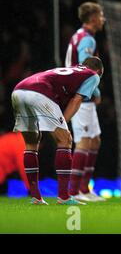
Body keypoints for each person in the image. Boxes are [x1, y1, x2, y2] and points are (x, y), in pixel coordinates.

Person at [11, 56, 104, 205]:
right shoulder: (93, 75)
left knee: (31, 143)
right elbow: (76, 100)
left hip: (18, 90)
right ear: (99, 71)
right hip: (39, 91)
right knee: (65, 139)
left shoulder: (72, 70)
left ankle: (36, 198)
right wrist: (63, 125)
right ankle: (64, 197)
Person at [64, 2, 106, 202]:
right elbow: (86, 67)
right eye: (101, 15)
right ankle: (74, 191)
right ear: (92, 18)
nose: (103, 19)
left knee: (95, 140)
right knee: (84, 141)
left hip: (82, 94)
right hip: (81, 95)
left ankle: (84, 189)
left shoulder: (81, 36)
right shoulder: (86, 39)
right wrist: (95, 89)